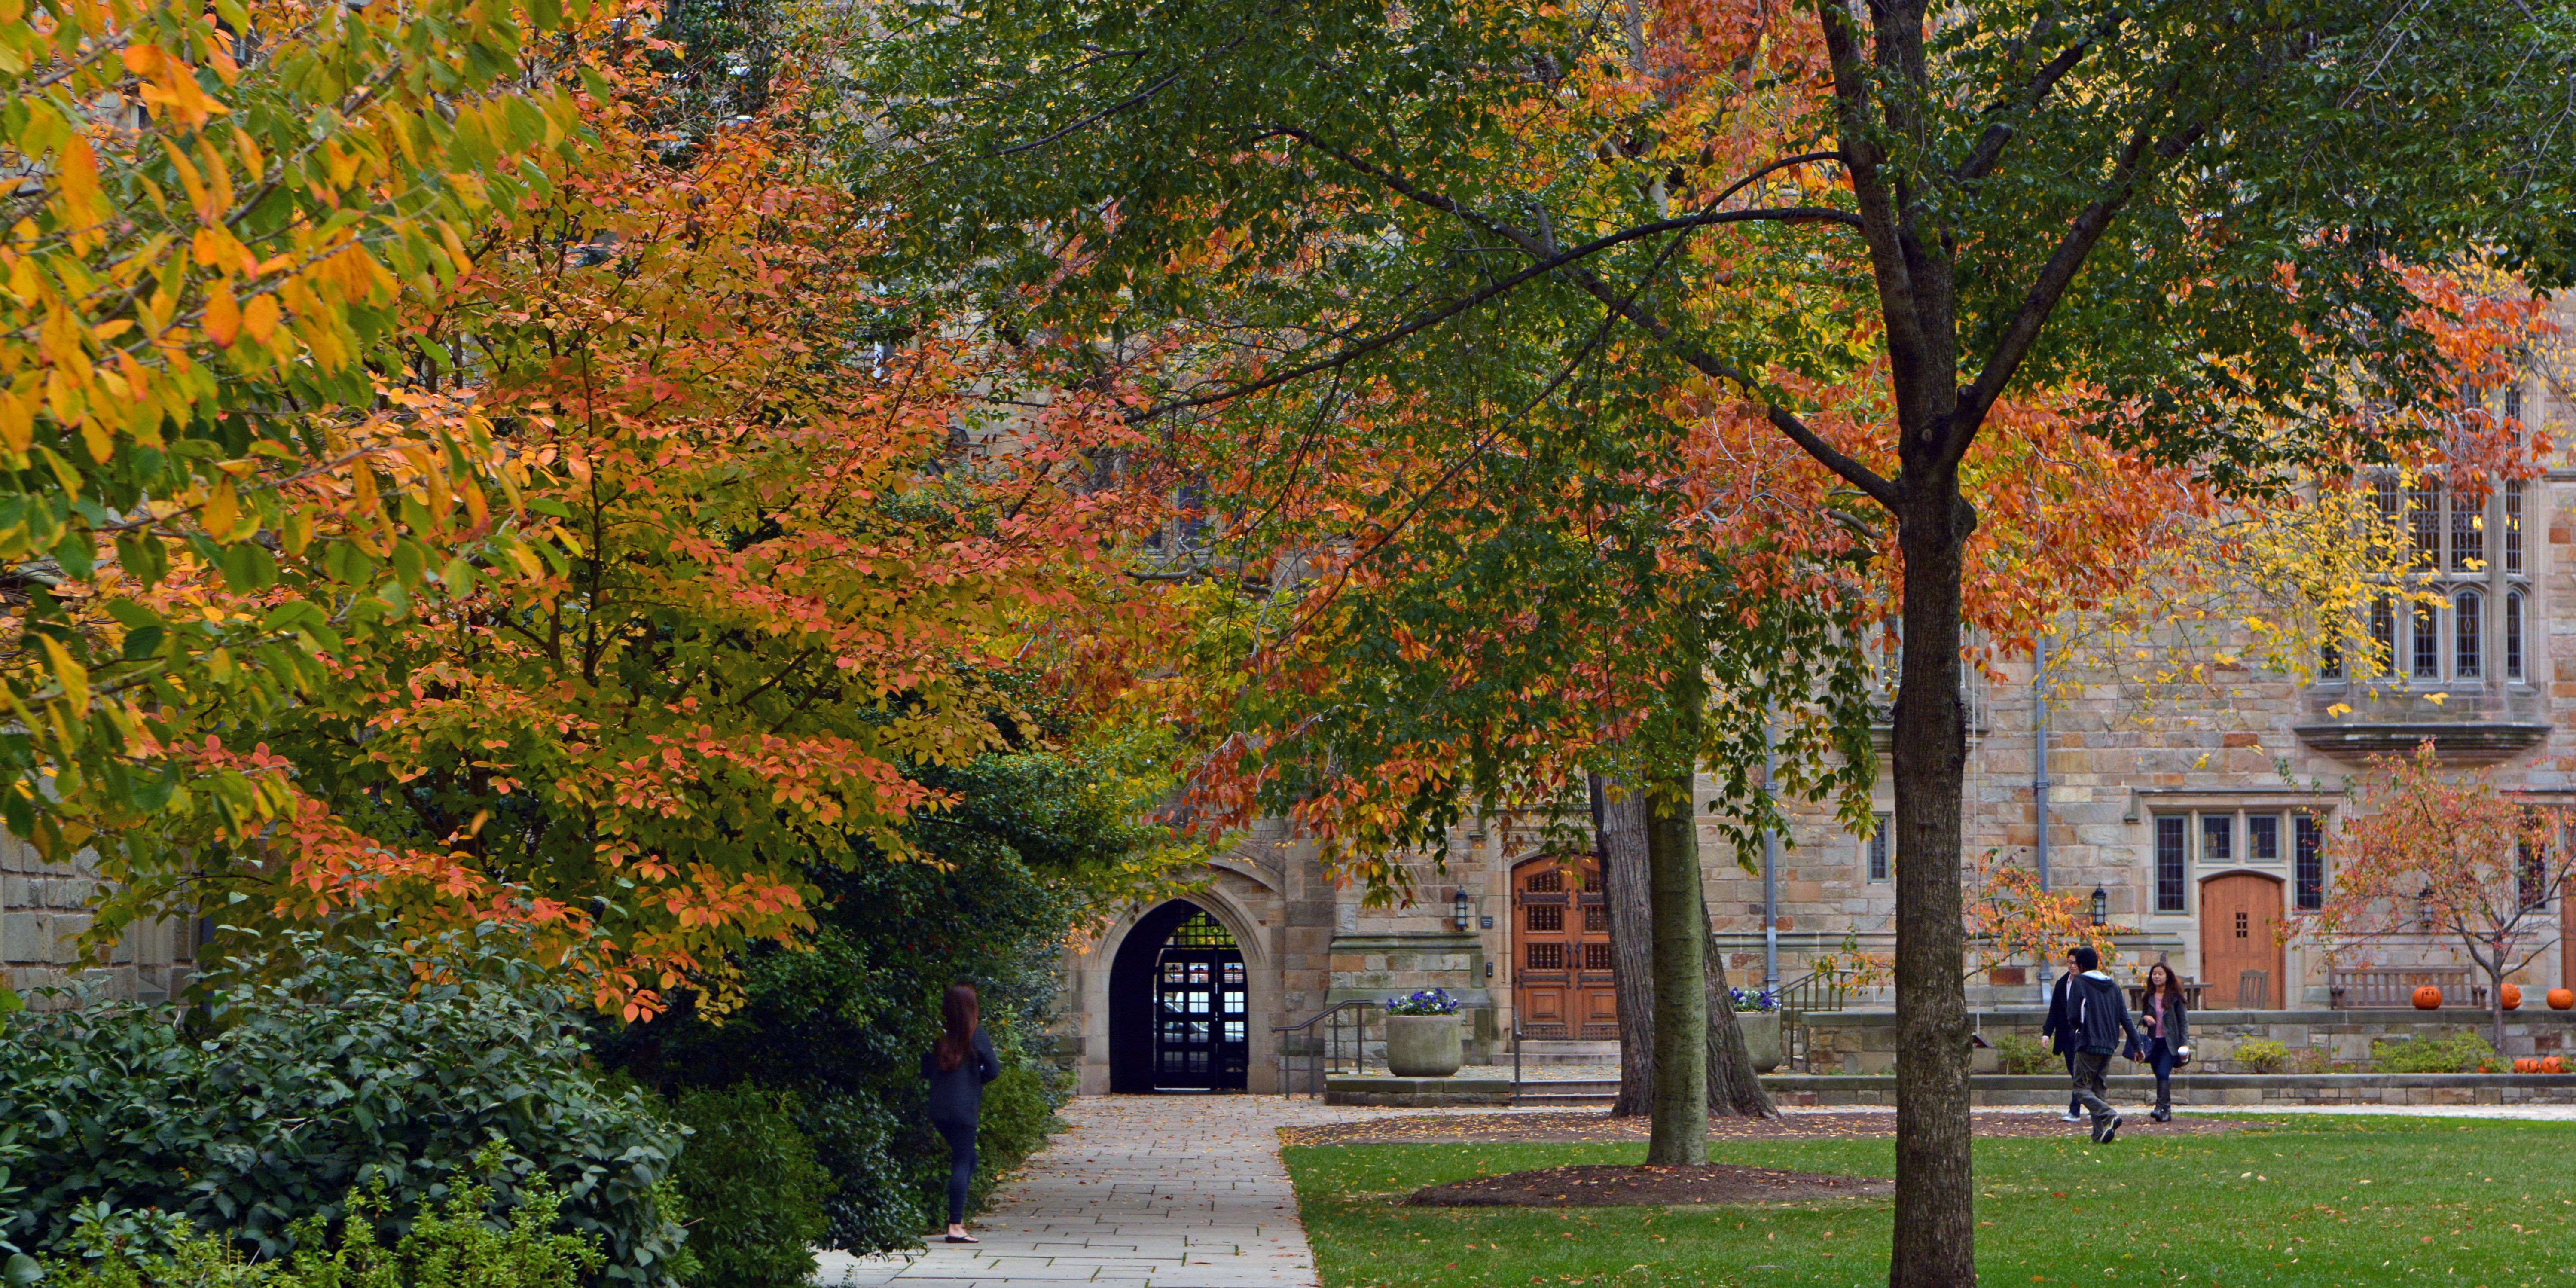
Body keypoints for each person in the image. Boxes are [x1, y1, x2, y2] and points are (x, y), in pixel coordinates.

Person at [922, 982, 1001, 1243]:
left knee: (969, 1159)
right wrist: (974, 1079)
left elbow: (923, 1070)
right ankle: (955, 1226)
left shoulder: (936, 1036)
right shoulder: (976, 1035)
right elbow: (993, 1070)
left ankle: (957, 1220)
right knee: (962, 1161)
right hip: (964, 1109)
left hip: (939, 1108)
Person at [2064, 945, 2141, 1143]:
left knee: (2081, 1088)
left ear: (2080, 966)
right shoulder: (2114, 987)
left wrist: (2077, 1029)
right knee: (2098, 1089)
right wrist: (2138, 1046)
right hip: (2109, 1044)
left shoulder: (2079, 982)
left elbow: (2073, 1014)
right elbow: (2126, 1019)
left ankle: (2109, 1115)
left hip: (2088, 1041)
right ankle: (2099, 1134)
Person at [2137, 960, 2192, 1122]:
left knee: (2163, 1073)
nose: (2157, 977)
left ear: (2167, 976)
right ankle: (2165, 1111)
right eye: (2154, 974)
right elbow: (2142, 1018)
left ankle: (2159, 1107)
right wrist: (2144, 1018)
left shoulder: (2175, 997)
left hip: (2170, 1044)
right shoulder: (2149, 996)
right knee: (2160, 1076)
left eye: (2160, 974)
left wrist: (2184, 1044)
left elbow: (2184, 1022)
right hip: (2154, 1043)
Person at [2039, 947, 2084, 1123]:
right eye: (2070, 963)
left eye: (2075, 963)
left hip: (2084, 1036)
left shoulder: (2088, 983)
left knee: (2079, 1074)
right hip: (2067, 1036)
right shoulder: (2062, 984)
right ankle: (2089, 1105)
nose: (2072, 966)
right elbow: (2055, 1012)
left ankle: (2075, 1110)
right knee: (2075, 1074)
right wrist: (2047, 1033)